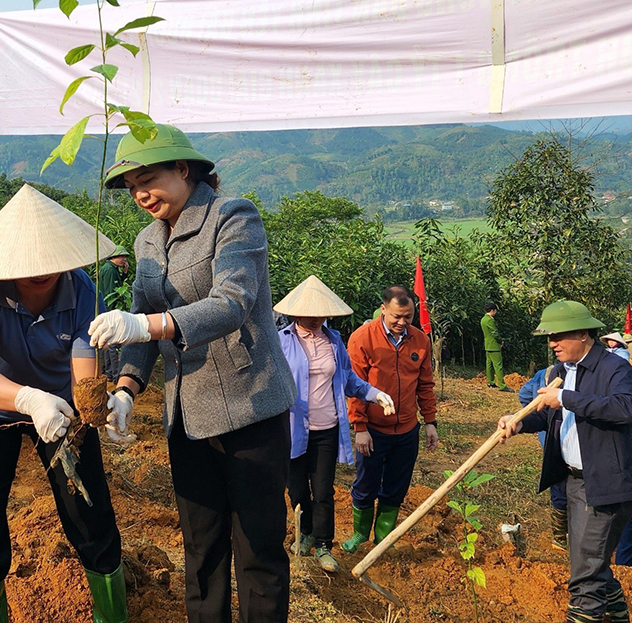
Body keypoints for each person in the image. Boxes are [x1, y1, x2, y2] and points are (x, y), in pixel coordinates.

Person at [90, 124, 298, 622]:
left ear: (183, 169)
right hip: (186, 417)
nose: (140, 193)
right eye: (130, 186)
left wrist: (146, 324)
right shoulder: (145, 241)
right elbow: (141, 327)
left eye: (149, 178)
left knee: (258, 549)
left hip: (250, 406)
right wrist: (126, 388)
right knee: (201, 551)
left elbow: (233, 302)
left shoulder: (233, 217)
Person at [0, 185, 126, 623]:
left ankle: (111, 613)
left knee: (89, 513)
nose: (41, 273)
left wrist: (102, 407)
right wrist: (26, 398)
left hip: (60, 410)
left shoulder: (82, 290)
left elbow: (84, 375)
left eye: (50, 263)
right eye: (29, 265)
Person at [499, 300, 632, 623]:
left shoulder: (614, 369)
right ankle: (617, 614)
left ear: (584, 333)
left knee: (585, 576)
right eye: (549, 337)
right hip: (574, 483)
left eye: (558, 336)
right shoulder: (560, 372)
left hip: (606, 484)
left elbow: (624, 408)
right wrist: (519, 423)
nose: (552, 344)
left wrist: (565, 399)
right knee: (588, 563)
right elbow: (549, 419)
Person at [274, 275, 395, 573]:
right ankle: (304, 534)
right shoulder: (282, 341)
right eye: (309, 315)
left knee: (324, 490)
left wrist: (375, 393)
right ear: (295, 313)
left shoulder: (334, 340)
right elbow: (271, 380)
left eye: (320, 314)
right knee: (298, 489)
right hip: (293, 430)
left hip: (327, 428)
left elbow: (349, 379)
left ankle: (324, 545)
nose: (315, 320)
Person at [342, 285, 438, 552]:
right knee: (365, 483)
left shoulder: (420, 340)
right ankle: (360, 534)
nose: (402, 322)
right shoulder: (363, 338)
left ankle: (383, 537)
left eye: (408, 317)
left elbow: (425, 384)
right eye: (397, 316)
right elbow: (354, 386)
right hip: (373, 430)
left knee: (396, 486)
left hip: (407, 428)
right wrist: (360, 426)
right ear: (383, 309)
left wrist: (430, 422)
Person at [518, 367, 568, 551]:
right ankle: (563, 534)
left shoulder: (546, 372)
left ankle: (560, 536)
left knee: (556, 477)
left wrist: (533, 414)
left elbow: (524, 394)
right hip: (560, 435)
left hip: (549, 437)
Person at [98, 245, 130, 382]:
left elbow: (118, 287)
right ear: (114, 257)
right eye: (121, 256)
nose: (124, 259)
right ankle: (115, 375)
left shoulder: (111, 269)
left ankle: (109, 373)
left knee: (108, 342)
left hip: (106, 309)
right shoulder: (110, 271)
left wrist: (124, 272)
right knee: (114, 343)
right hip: (110, 309)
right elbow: (112, 293)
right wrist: (114, 313)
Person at [482, 302, 512, 392]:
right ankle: (502, 385)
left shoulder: (483, 319)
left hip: (487, 345)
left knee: (489, 364)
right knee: (498, 365)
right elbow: (495, 333)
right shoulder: (490, 320)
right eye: (495, 311)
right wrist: (500, 341)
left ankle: (490, 381)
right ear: (492, 310)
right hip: (494, 345)